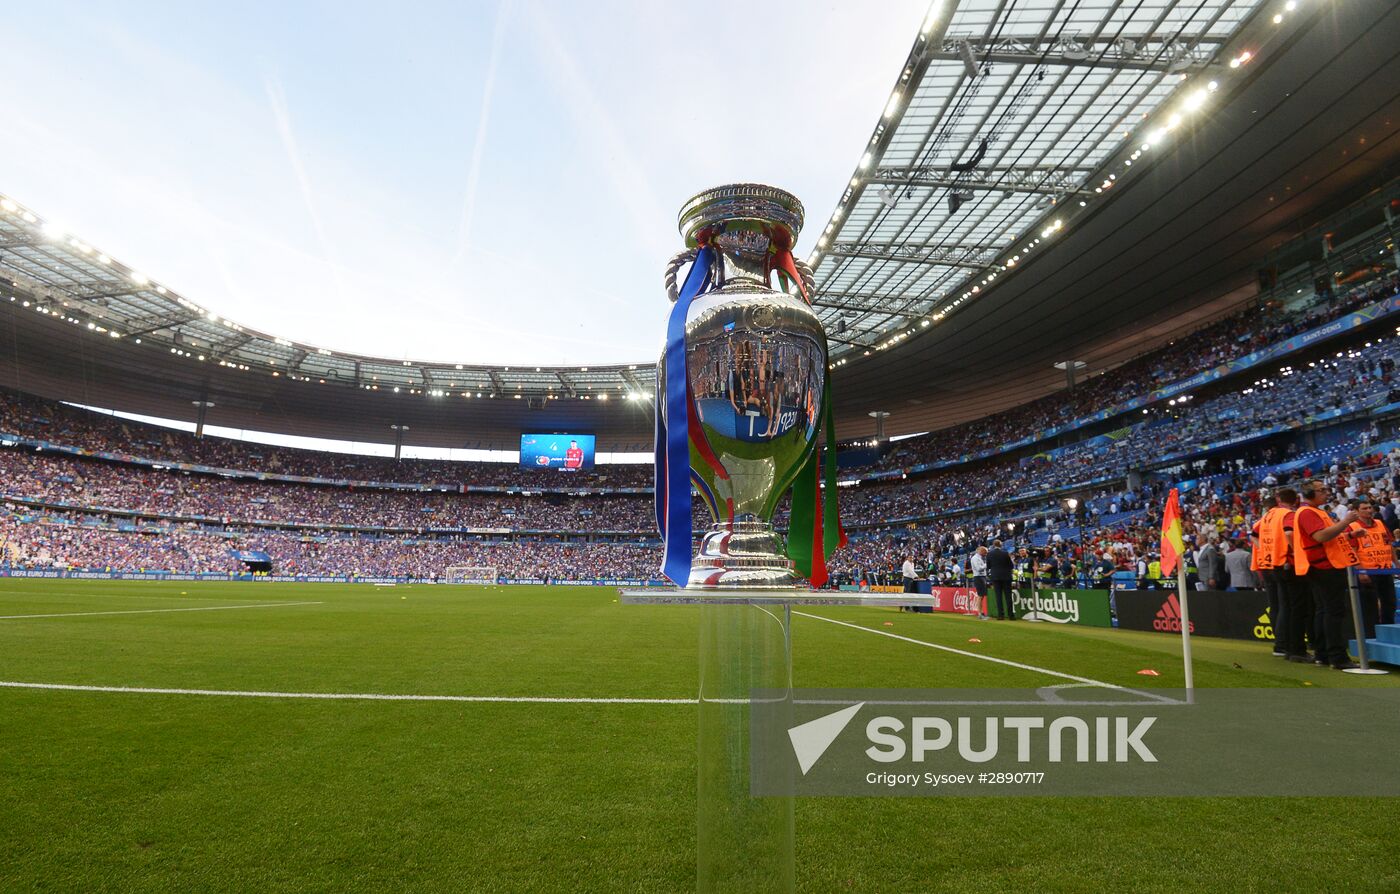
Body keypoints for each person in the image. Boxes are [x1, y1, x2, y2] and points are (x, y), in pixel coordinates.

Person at [1293, 480, 1360, 670]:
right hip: (1325, 566)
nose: (1325, 492)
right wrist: (1346, 522)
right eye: (1320, 490)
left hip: (1323, 565)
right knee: (1333, 612)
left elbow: (1328, 537)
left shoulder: (1314, 511)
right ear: (1309, 493)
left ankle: (1323, 654)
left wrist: (1349, 534)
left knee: (1324, 611)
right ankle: (1337, 657)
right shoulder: (1308, 512)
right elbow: (1320, 536)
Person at [1348, 500, 1398, 639]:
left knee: (1390, 603)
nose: (1369, 510)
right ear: (1357, 511)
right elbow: (1352, 550)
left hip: (1385, 570)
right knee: (1370, 607)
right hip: (1367, 572)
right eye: (1365, 508)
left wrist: (1396, 564)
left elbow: (1389, 544)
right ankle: (1371, 637)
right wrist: (1361, 570)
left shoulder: (1380, 524)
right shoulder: (1353, 526)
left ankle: (1389, 634)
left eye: (1370, 507)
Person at [985, 540, 1014, 621]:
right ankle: (1011, 615)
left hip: (995, 577)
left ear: (994, 545)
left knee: (998, 596)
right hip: (1006, 576)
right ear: (1001, 545)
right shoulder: (1005, 553)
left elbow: (988, 566)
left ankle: (1000, 615)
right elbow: (1011, 565)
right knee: (1008, 596)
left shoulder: (989, 554)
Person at [970, 545, 990, 620]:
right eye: (985, 552)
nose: (986, 554)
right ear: (981, 551)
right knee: (980, 595)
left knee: (981, 595)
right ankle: (980, 613)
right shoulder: (975, 558)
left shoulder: (979, 558)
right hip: (979, 577)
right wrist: (986, 564)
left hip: (981, 577)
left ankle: (981, 613)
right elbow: (979, 569)